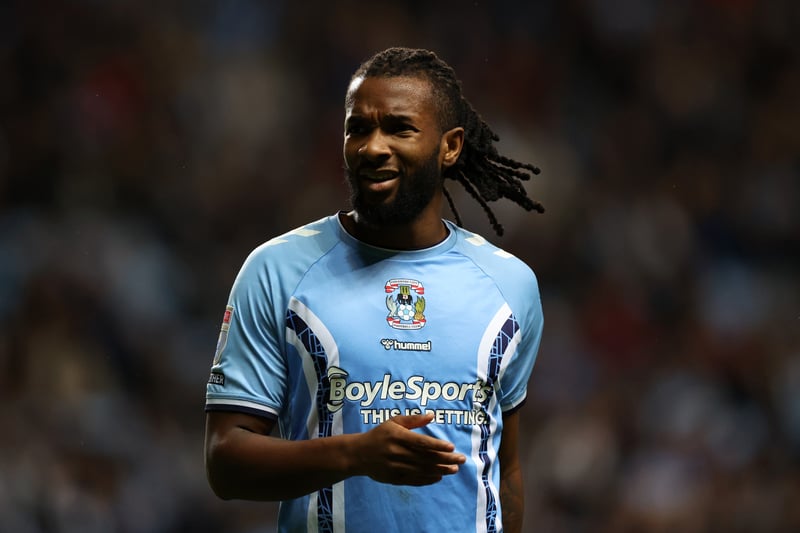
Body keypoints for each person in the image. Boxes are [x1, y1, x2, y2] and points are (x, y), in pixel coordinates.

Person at [204, 47, 545, 533]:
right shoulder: (276, 270)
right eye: (357, 128)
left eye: (399, 128)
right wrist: (356, 454)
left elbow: (504, 467)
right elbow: (225, 462)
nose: (371, 147)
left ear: (449, 146)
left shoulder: (511, 286)